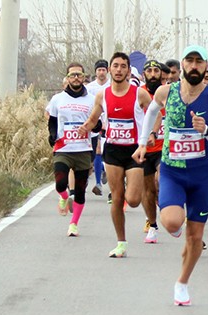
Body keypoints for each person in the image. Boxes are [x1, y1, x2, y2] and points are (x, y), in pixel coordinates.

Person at [134, 44, 208, 305]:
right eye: (190, 61)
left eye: (200, 62)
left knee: (195, 237)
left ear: (206, 66)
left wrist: (206, 130)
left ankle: (182, 282)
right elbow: (150, 112)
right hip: (172, 171)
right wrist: (143, 142)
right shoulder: (166, 91)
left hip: (201, 174)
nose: (194, 66)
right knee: (173, 223)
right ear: (183, 65)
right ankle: (176, 222)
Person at [79, 52, 152, 258]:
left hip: (134, 150)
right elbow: (95, 117)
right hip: (112, 149)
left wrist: (152, 134)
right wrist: (86, 126)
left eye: (123, 66)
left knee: (134, 199)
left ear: (129, 70)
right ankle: (121, 243)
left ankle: (133, 187)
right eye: (115, 66)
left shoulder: (139, 94)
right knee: (117, 198)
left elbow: (155, 114)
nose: (119, 70)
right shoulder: (102, 95)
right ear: (110, 69)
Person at [47, 62, 101, 236]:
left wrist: (90, 127)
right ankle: (63, 197)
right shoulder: (57, 99)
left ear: (84, 77)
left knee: (79, 190)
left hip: (83, 149)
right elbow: (52, 121)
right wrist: (52, 135)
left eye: (79, 75)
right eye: (72, 75)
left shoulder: (92, 100)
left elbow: (98, 125)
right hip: (63, 147)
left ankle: (74, 224)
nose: (76, 78)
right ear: (67, 78)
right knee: (60, 182)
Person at [139, 59, 166, 244]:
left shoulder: (167, 92)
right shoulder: (139, 94)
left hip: (164, 146)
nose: (153, 74)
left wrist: (155, 132)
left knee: (161, 179)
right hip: (143, 148)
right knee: (147, 190)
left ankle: (168, 208)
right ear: (144, 74)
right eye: (150, 71)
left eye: (157, 71)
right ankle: (153, 224)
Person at [86, 59, 110, 196]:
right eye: (99, 70)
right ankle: (99, 179)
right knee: (96, 152)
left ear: (107, 71)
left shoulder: (111, 86)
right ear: (95, 72)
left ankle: (100, 181)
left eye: (103, 69)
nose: (101, 72)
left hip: (108, 124)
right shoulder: (90, 87)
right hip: (95, 123)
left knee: (103, 152)